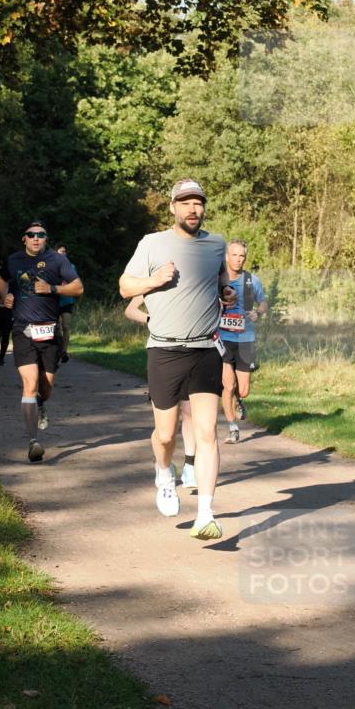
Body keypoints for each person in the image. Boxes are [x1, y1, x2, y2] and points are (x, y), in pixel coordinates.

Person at [119, 178, 235, 540]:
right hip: (164, 349)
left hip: (205, 349)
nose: (192, 209)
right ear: (172, 207)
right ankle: (164, 473)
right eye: (184, 203)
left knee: (206, 433)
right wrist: (153, 280)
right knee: (166, 434)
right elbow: (125, 287)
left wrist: (226, 292)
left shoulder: (216, 244)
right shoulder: (152, 244)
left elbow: (219, 284)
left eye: (197, 202)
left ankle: (205, 514)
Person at [0, 220, 83, 462]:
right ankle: (33, 440)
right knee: (30, 384)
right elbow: (1, 278)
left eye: (41, 235)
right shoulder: (13, 260)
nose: (36, 238)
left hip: (48, 332)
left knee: (45, 389)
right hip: (22, 330)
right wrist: (6, 296)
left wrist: (52, 289)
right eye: (31, 234)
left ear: (46, 238)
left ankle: (41, 404)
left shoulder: (58, 260)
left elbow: (77, 288)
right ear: (24, 238)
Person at [125, 294, 197, 489]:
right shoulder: (157, 280)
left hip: (194, 351)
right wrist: (152, 320)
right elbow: (130, 310)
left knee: (191, 412)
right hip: (163, 353)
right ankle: (163, 465)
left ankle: (190, 465)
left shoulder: (195, 274)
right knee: (166, 431)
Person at [218, 239, 267, 443]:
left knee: (243, 390)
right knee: (227, 385)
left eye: (242, 256)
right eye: (235, 255)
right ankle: (232, 427)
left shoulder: (252, 280)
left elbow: (263, 302)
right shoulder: (217, 279)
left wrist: (258, 313)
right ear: (227, 257)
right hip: (222, 337)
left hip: (246, 338)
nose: (238, 259)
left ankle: (238, 399)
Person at [55, 244, 78, 363]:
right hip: (54, 300)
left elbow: (76, 283)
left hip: (67, 300)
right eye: (60, 251)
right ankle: (58, 349)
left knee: (66, 326)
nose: (63, 253)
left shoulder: (71, 267)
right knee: (56, 328)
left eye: (64, 252)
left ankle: (64, 351)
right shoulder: (52, 266)